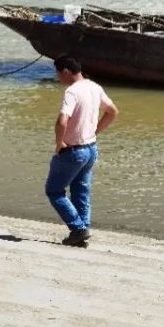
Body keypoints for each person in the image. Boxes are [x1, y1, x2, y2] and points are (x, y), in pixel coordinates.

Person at [47, 56, 118, 247]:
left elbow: (62, 121)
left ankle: (78, 228)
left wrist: (59, 143)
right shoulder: (94, 87)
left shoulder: (72, 91)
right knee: (81, 191)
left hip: (73, 151)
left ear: (66, 72)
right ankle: (83, 230)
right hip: (91, 149)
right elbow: (112, 112)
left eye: (58, 73)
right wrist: (95, 131)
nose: (58, 77)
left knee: (54, 191)